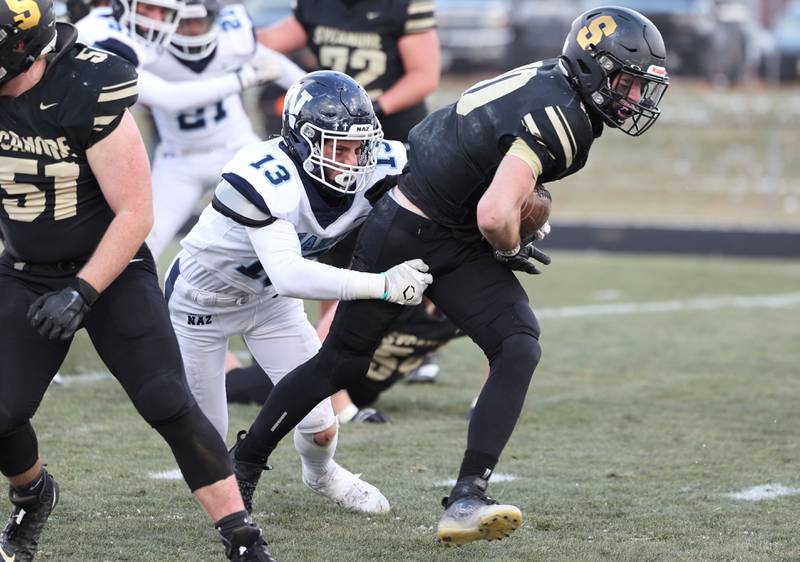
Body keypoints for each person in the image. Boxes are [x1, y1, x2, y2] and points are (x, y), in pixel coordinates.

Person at [227, 5, 670, 547]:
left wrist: (505, 225)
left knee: (517, 343)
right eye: (625, 82)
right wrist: (510, 244)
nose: (633, 97)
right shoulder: (566, 118)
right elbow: (493, 214)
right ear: (593, 68)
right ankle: (243, 465)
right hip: (417, 229)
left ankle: (468, 495)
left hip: (439, 218)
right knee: (342, 360)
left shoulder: (550, 80)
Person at [0, 3, 276, 561]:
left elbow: (135, 213)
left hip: (112, 265)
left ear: (22, 47)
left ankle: (243, 538)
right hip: (26, 271)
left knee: (166, 399)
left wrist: (82, 291)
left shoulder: (85, 84)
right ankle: (34, 495)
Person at [164, 70, 431, 514]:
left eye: (358, 146)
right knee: (208, 445)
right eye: (337, 147)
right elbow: (289, 274)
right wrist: (383, 286)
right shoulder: (261, 174)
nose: (351, 160)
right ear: (302, 140)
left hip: (269, 304)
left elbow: (444, 168)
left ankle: (322, 474)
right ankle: (232, 521)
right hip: (201, 304)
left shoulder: (376, 162)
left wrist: (519, 202)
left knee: (322, 424)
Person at [135, 0, 305, 260]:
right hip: (178, 160)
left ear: (214, 20)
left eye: (198, 22)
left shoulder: (231, 41)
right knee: (145, 240)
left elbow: (285, 71)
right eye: (184, 22)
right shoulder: (148, 50)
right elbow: (171, 98)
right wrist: (241, 79)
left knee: (283, 219)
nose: (192, 31)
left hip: (235, 149)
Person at [225, 300, 464, 422]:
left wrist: (483, 403)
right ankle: (198, 335)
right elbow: (320, 349)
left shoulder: (461, 305)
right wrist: (347, 411)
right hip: (312, 379)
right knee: (227, 385)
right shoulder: (395, 287)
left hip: (359, 391)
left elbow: (500, 343)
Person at [257, 0, 439, 143]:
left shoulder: (404, 5)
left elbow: (424, 76)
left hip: (394, 129)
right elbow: (270, 40)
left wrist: (368, 110)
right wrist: (236, 34)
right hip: (336, 130)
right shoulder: (315, 4)